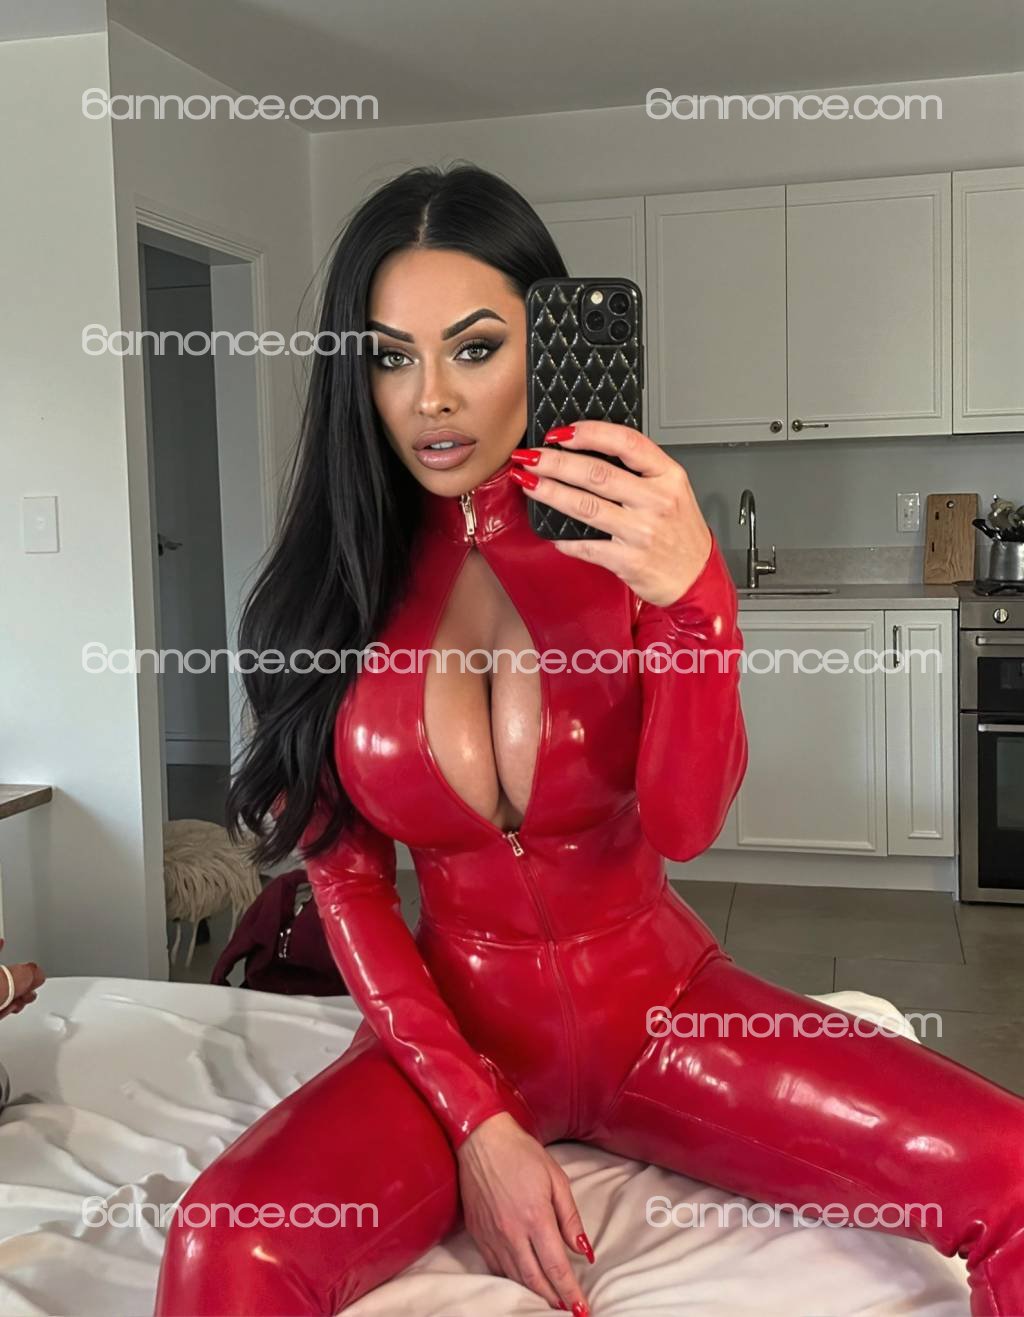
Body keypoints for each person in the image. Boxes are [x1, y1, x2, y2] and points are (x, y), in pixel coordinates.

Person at [154, 164, 1024, 1317]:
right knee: (224, 1244)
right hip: (455, 1040)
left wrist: (697, 603)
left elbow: (685, 824)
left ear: (545, 344)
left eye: (474, 348)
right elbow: (351, 887)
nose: (431, 399)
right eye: (389, 357)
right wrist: (478, 1122)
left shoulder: (631, 548)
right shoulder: (324, 598)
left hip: (665, 1014)